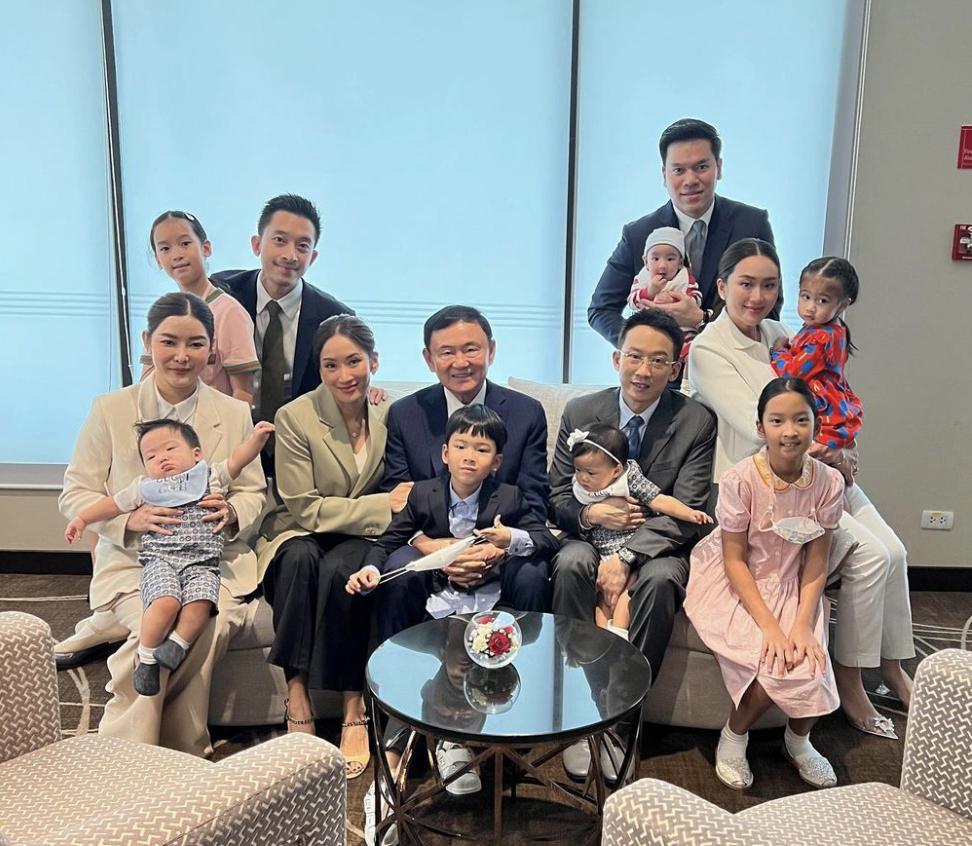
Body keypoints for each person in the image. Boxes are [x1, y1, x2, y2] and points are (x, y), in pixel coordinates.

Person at [688, 238, 915, 738]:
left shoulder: (781, 332)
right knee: (869, 556)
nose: (758, 296)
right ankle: (851, 681)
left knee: (895, 552)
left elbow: (821, 399)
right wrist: (829, 447)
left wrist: (846, 446)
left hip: (818, 468)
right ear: (722, 287)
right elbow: (760, 429)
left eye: (769, 285)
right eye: (746, 284)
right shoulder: (708, 349)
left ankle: (894, 666)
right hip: (765, 485)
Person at [58, 292, 266, 755]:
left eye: (196, 344)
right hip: (136, 561)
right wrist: (130, 520)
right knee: (152, 627)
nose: (181, 356)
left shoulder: (233, 412)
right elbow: (76, 493)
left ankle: (178, 752)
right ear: (147, 341)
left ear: (212, 350)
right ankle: (130, 754)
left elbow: (253, 490)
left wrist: (232, 512)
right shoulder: (111, 409)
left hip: (209, 560)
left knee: (207, 623)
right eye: (169, 341)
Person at [349, 405, 557, 820]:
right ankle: (389, 783)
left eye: (482, 450)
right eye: (460, 447)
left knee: (528, 581)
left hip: (490, 602)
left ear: (496, 461)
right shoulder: (424, 494)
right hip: (440, 599)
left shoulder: (509, 496)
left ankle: (477, 741)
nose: (469, 457)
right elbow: (388, 540)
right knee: (401, 587)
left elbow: (545, 539)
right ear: (445, 453)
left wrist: (506, 542)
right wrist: (370, 569)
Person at [549, 308, 717, 779]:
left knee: (661, 581)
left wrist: (626, 556)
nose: (644, 370)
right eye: (635, 357)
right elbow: (557, 495)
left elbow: (688, 508)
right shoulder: (580, 413)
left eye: (658, 361)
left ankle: (620, 724)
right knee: (570, 563)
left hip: (659, 546)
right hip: (589, 536)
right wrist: (590, 514)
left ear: (675, 368)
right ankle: (579, 717)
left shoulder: (696, 421)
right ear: (616, 358)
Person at [255, 315, 411, 780]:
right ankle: (297, 693)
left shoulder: (389, 411)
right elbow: (303, 507)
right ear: (319, 369)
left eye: (354, 362)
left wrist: (378, 512)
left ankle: (352, 707)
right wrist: (381, 505)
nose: (344, 375)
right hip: (299, 528)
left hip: (357, 534)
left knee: (347, 574)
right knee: (299, 561)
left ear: (373, 362)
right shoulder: (295, 417)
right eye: (331, 365)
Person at [685, 378, 842, 791]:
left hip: (794, 580)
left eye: (801, 420)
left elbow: (817, 560)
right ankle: (733, 737)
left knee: (810, 660)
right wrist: (771, 627)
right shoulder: (740, 480)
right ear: (760, 427)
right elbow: (734, 560)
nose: (789, 431)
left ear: (816, 425)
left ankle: (799, 741)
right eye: (777, 421)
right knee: (770, 659)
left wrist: (802, 624)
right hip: (737, 580)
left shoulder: (828, 482)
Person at [64, 419, 273, 695]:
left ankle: (177, 645)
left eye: (170, 449)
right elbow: (112, 505)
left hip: (203, 564)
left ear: (196, 454)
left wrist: (257, 440)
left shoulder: (210, 476)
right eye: (151, 457)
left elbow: (237, 460)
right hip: (161, 561)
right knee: (165, 602)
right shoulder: (145, 487)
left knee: (201, 603)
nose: (161, 459)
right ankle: (147, 657)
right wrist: (82, 519)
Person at [588, 118, 778, 349]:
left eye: (701, 167)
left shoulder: (751, 224)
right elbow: (600, 310)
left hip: (732, 361)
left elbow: (770, 312)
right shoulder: (638, 234)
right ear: (664, 174)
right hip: (661, 368)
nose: (690, 180)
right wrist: (645, 347)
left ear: (718, 168)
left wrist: (701, 320)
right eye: (678, 170)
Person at [381, 303, 550, 528]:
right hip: (426, 541)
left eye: (470, 350)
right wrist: (422, 542)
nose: (460, 363)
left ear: (491, 351)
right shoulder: (405, 414)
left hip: (500, 539)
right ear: (429, 359)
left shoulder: (527, 413)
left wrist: (498, 542)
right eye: (447, 352)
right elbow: (396, 499)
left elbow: (534, 503)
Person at [211, 194, 354, 451]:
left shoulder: (334, 317)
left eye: (302, 246)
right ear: (257, 244)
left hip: (299, 448)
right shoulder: (222, 296)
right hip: (226, 441)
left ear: (312, 257)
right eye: (280, 240)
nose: (290, 255)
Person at [567, 424, 712, 638]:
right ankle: (601, 640)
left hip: (633, 547)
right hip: (601, 551)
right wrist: (591, 514)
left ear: (616, 470)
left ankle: (618, 635)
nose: (582, 478)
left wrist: (690, 513)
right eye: (578, 470)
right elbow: (561, 502)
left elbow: (659, 500)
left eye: (590, 473)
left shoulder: (628, 478)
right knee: (603, 596)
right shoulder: (580, 486)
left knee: (627, 592)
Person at [143, 211, 260, 405]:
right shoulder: (162, 314)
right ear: (157, 260)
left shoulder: (229, 312)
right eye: (165, 248)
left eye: (185, 244)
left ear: (206, 248)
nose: (177, 255)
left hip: (214, 421)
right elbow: (146, 385)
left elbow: (243, 393)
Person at [770, 257, 863, 448]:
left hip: (822, 409)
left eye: (822, 301)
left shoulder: (822, 339)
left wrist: (779, 352)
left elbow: (792, 373)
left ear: (843, 305)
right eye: (805, 297)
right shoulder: (830, 328)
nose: (810, 307)